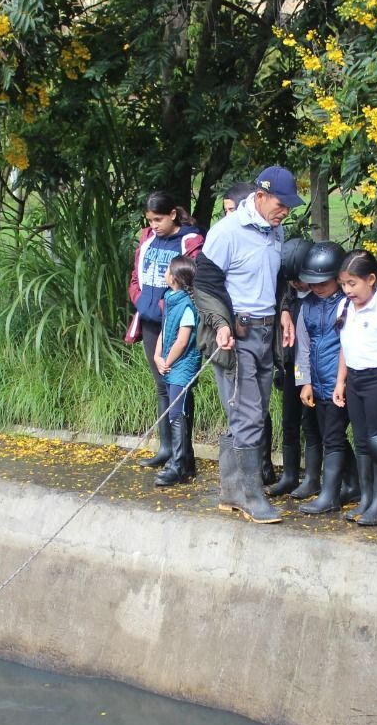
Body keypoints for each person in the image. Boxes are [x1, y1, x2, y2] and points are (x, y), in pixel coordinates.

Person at [193, 166, 304, 523]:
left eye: (289, 205)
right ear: (260, 196)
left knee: (246, 413)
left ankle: (230, 492)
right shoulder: (226, 232)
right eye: (280, 203)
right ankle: (252, 497)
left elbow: (276, 280)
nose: (285, 211)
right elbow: (204, 285)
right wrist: (220, 324)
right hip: (235, 336)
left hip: (266, 334)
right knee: (249, 415)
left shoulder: (275, 230)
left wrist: (285, 311)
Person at [128, 192, 203, 476]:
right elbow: (136, 276)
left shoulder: (189, 241)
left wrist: (167, 306)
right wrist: (140, 299)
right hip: (150, 322)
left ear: (173, 214)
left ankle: (183, 458)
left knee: (178, 386)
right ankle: (166, 449)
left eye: (158, 219)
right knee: (161, 384)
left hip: (178, 322)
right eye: (150, 220)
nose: (154, 225)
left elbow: (193, 279)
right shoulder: (147, 239)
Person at [333, 249, 377, 527]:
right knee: (361, 441)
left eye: (353, 284)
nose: (347, 290)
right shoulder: (344, 308)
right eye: (343, 284)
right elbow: (344, 347)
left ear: (371, 279)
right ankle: (366, 497)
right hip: (355, 379)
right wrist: (341, 381)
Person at [293, 241, 358, 514]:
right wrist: (303, 381)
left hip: (339, 384)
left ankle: (330, 494)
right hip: (316, 384)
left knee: (332, 437)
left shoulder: (346, 305)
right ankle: (353, 484)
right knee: (332, 436)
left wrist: (340, 383)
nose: (317, 287)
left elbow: (347, 344)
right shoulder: (306, 306)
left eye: (323, 282)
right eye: (313, 282)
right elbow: (302, 346)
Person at [268, 239, 320, 497]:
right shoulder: (287, 294)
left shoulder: (317, 296)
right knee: (289, 420)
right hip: (291, 365)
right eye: (291, 279)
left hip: (312, 368)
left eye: (299, 278)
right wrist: (285, 308)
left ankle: (312, 477)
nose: (296, 284)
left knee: (310, 422)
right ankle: (289, 474)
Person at [153, 256, 202, 488]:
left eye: (167, 270)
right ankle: (187, 461)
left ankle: (178, 464)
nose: (165, 273)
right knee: (180, 410)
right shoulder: (171, 298)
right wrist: (157, 355)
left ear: (174, 278)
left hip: (183, 365)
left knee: (176, 413)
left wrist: (167, 361)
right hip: (171, 363)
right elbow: (165, 329)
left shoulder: (187, 305)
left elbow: (182, 341)